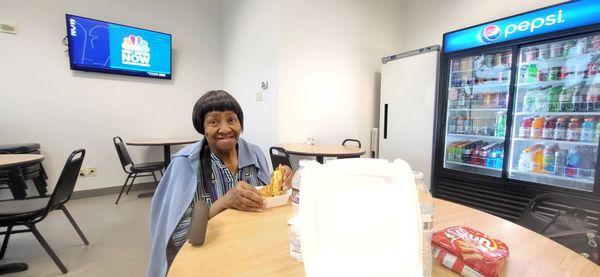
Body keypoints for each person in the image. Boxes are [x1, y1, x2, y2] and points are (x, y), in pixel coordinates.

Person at [147, 90, 292, 277]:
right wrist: (224, 202)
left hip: (255, 249)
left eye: (232, 120)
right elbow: (179, 236)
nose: (225, 129)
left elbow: (269, 205)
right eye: (214, 121)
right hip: (209, 256)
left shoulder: (254, 154)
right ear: (203, 128)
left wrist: (282, 183)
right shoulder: (185, 164)